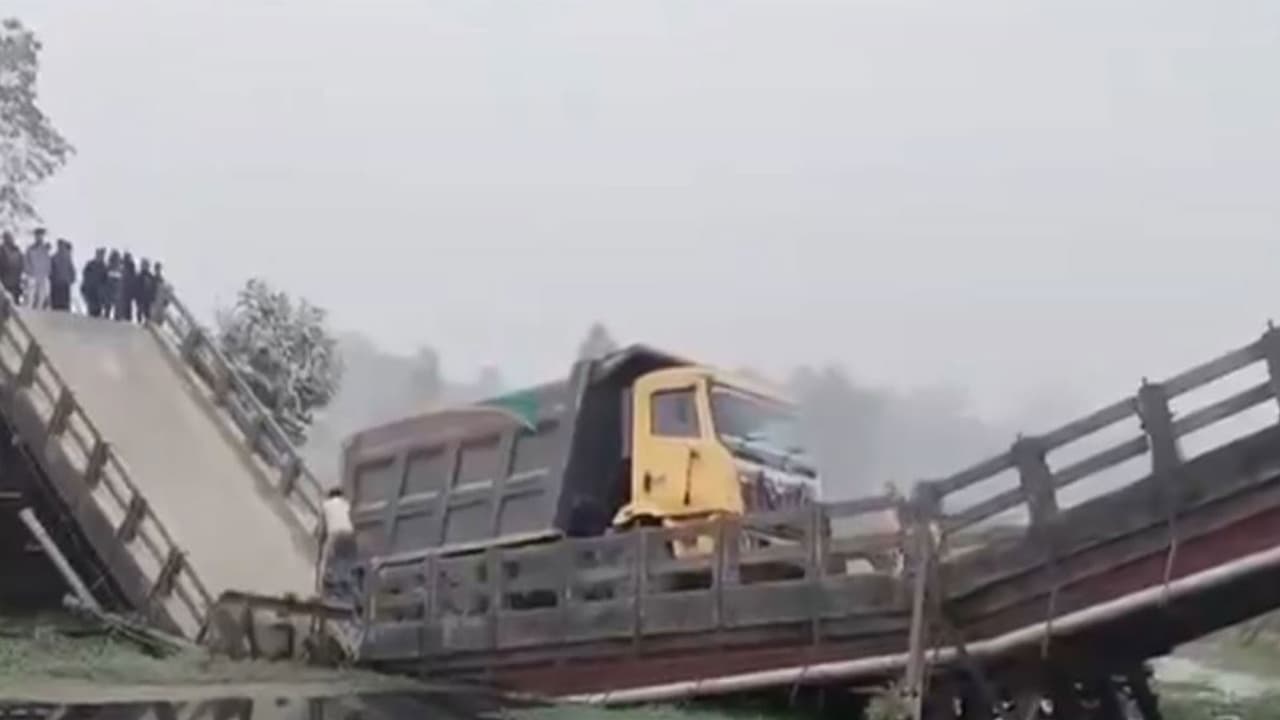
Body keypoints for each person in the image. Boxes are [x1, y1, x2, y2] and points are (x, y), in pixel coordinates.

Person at [320, 487, 356, 601]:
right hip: (350, 534)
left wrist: (321, 541)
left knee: (328, 562)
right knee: (345, 561)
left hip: (335, 534)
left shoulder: (326, 504)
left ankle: (327, 590)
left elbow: (322, 528)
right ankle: (345, 590)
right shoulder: (346, 504)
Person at [24, 229, 51, 309]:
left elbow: (48, 262)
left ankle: (38, 313)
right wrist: (29, 271)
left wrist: (47, 272)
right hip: (32, 275)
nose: (40, 237)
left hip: (42, 276)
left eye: (41, 236)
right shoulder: (30, 249)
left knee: (41, 297)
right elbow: (26, 261)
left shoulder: (45, 249)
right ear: (35, 237)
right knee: (30, 297)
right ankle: (28, 313)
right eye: (38, 236)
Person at [49, 239, 76, 312]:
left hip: (64, 282)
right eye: (59, 245)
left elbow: (71, 268)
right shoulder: (54, 258)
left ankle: (65, 311)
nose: (60, 247)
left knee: (65, 301)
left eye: (62, 245)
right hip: (56, 282)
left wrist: (72, 277)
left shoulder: (67, 257)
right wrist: (51, 278)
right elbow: (50, 270)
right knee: (56, 302)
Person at [81, 248, 106, 317]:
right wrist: (84, 288)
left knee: (98, 312)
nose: (101, 257)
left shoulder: (104, 267)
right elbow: (85, 276)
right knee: (91, 311)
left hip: (99, 294)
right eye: (100, 254)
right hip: (90, 291)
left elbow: (105, 281)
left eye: (102, 255)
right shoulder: (90, 265)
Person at [0, 232, 22, 304]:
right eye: (7, 238)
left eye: (11, 238)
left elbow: (22, 264)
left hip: (16, 281)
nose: (10, 239)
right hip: (5, 281)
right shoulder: (1, 250)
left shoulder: (17, 250)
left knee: (15, 302)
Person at [115, 252, 137, 322]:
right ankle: (120, 318)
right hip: (123, 292)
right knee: (122, 307)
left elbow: (132, 281)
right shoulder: (123, 267)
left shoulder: (130, 268)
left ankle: (124, 319)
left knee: (126, 308)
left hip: (126, 292)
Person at [104, 250, 123, 320]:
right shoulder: (108, 268)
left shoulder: (120, 269)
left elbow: (121, 282)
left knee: (116, 310)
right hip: (110, 292)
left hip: (116, 292)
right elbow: (105, 280)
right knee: (108, 308)